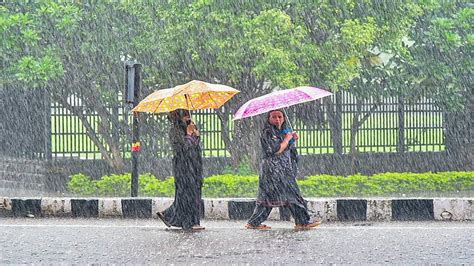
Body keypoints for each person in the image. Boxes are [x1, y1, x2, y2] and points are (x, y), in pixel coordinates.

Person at [245, 109, 321, 230]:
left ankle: (302, 221)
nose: (277, 120)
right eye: (274, 117)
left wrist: (292, 140)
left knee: (292, 195)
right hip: (272, 171)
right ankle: (254, 222)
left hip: (284, 170)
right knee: (269, 198)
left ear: (284, 118)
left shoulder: (283, 132)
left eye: (280, 117)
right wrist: (286, 139)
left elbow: (287, 150)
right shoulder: (268, 133)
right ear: (268, 119)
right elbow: (275, 150)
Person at [156, 109, 205, 230]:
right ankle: (189, 223)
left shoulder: (191, 127)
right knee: (186, 195)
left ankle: (172, 216)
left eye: (189, 114)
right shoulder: (175, 131)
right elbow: (183, 150)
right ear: (179, 117)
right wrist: (189, 135)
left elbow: (194, 148)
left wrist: (196, 136)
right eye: (185, 115)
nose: (188, 117)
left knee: (194, 193)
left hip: (194, 167)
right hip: (183, 168)